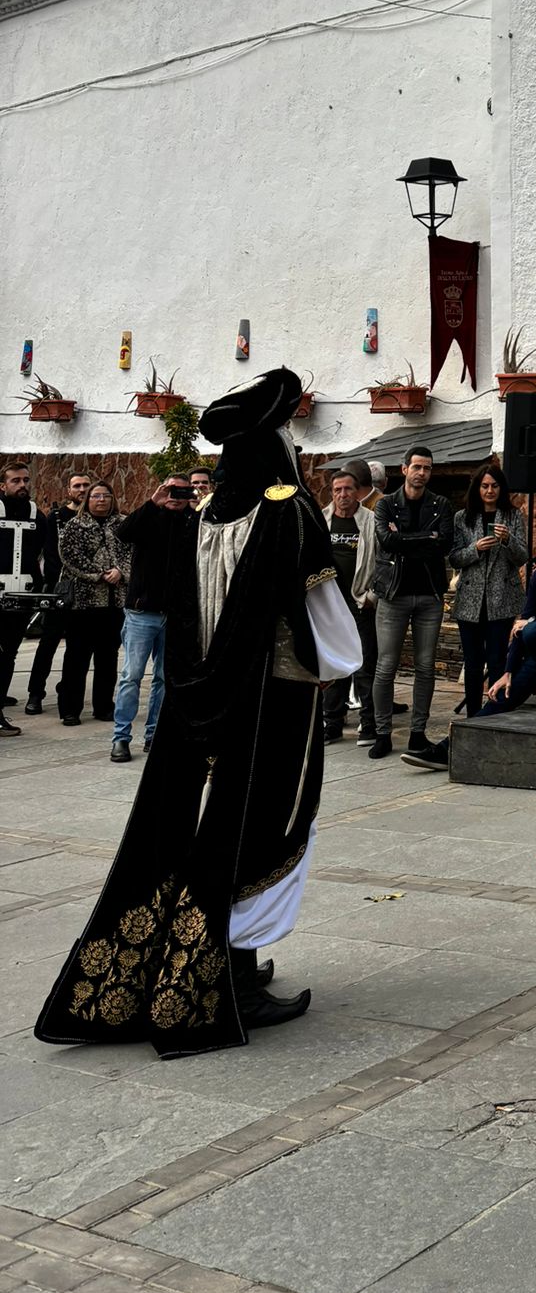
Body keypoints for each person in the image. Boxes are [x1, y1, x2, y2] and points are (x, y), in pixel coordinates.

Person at [35, 367, 362, 1053]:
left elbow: (184, 613)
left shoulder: (207, 515)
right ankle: (233, 979)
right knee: (265, 825)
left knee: (206, 831)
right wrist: (336, 670)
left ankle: (221, 959)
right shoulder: (289, 512)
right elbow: (325, 616)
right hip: (274, 697)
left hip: (201, 699)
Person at [369, 445, 454, 762]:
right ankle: (382, 733)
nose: (422, 473)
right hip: (394, 594)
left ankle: (418, 733)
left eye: (427, 468)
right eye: (417, 467)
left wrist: (406, 538)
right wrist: (424, 538)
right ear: (404, 469)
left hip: (429, 595)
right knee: (386, 666)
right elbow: (386, 541)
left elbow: (444, 543)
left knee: (425, 666)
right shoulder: (386, 505)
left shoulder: (441, 504)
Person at [110, 476, 199, 762]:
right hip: (141, 612)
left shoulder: (193, 521)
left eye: (181, 491)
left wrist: (195, 509)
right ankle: (121, 738)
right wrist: (152, 503)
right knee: (131, 676)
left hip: (174, 615)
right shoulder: (150, 515)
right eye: (170, 489)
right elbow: (123, 532)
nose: (175, 495)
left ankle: (154, 736)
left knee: (164, 678)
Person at [443, 463, 528, 744]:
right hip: (471, 599)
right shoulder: (462, 518)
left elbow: (522, 556)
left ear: (501, 489)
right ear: (477, 489)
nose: (489, 491)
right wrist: (474, 549)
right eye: (484, 486)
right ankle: (472, 719)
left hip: (501, 599)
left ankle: (492, 718)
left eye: (494, 486)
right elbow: (454, 557)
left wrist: (507, 541)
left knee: (496, 660)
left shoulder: (513, 515)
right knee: (473, 661)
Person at [56, 483, 128, 725]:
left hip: (114, 601)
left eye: (106, 495)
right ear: (87, 499)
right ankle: (70, 709)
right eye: (96, 496)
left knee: (108, 658)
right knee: (77, 657)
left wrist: (120, 571)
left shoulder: (122, 523)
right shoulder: (75, 525)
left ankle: (104, 706)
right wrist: (98, 574)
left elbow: (133, 552)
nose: (101, 500)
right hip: (82, 603)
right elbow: (69, 556)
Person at [480, 519, 536, 717]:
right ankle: (444, 747)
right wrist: (508, 671)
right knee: (502, 697)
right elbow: (521, 625)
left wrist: (531, 623)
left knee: (534, 630)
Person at [24, 471, 90, 717]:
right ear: (69, 489)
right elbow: (50, 554)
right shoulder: (57, 517)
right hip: (58, 590)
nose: (82, 490)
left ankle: (68, 690)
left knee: (78, 646)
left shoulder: (94, 516)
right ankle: (35, 693)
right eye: (77, 486)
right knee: (48, 643)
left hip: (87, 593)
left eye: (85, 485)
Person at [322, 468, 379, 747]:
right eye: (337, 490)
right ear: (331, 493)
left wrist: (372, 596)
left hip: (360, 603)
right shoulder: (323, 520)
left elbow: (385, 561)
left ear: (357, 492)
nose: (343, 495)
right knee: (334, 666)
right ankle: (331, 722)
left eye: (348, 489)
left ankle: (368, 724)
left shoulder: (370, 521)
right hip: (330, 605)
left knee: (365, 663)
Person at [0, 459, 59, 729]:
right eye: (15, 480)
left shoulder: (37, 514)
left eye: (25, 480)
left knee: (10, 651)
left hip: (22, 593)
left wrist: (43, 585)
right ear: (3, 485)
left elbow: (44, 552)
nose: (22, 485)